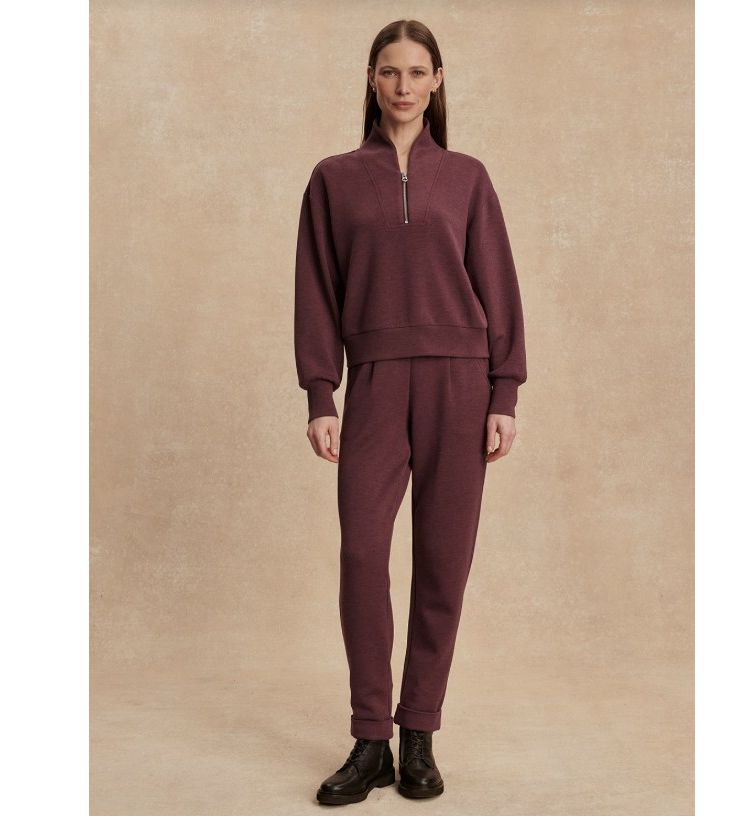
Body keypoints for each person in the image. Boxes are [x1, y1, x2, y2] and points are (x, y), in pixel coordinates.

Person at [293, 19, 527, 806]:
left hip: (461, 384)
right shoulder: (333, 179)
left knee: (442, 562)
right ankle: (371, 740)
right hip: (374, 384)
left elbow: (498, 287)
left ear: (437, 81)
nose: (403, 85)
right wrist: (321, 393)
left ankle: (418, 732)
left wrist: (504, 392)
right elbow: (316, 291)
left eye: (417, 72)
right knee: (363, 555)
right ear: (371, 78)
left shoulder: (466, 178)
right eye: (390, 71)